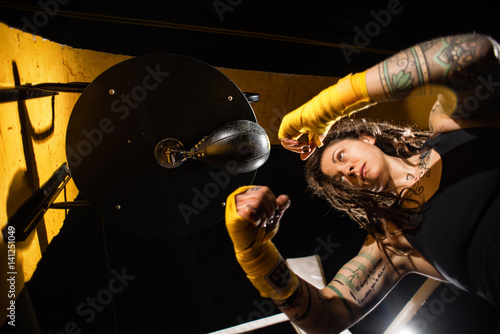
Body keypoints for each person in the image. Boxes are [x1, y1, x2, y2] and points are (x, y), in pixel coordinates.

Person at [224, 33, 500, 333]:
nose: (348, 170)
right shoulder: (393, 242)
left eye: (341, 156)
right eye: (340, 179)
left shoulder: (448, 128)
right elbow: (327, 318)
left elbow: (478, 53)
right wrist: (256, 258)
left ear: (366, 138)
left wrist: (330, 104)